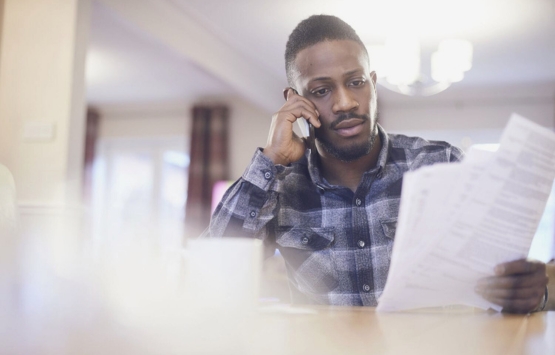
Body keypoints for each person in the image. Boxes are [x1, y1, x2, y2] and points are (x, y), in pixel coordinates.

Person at [203, 15, 553, 313]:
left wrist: (532, 290)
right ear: (295, 101)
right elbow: (212, 278)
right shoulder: (280, 187)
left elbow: (503, 278)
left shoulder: (442, 163)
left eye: (355, 83)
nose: (344, 103)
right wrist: (271, 160)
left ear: (372, 83)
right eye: (321, 90)